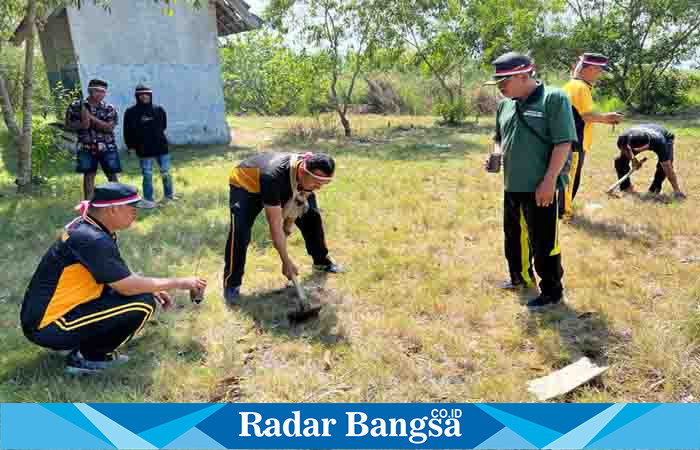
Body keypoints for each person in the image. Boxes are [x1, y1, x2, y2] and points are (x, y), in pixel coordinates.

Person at [20, 183, 207, 375]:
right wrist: (181, 282)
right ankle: (89, 357)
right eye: (132, 208)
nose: (135, 213)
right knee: (142, 303)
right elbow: (126, 287)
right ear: (112, 209)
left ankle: (85, 349)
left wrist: (149, 286)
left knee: (141, 292)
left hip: (51, 315)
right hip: (48, 325)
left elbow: (118, 275)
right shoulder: (93, 239)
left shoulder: (92, 227)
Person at [484, 52, 578, 308]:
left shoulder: (554, 98)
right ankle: (520, 278)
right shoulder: (505, 105)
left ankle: (551, 292)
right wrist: (494, 153)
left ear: (524, 75)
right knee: (513, 236)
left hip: (541, 187)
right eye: (498, 83)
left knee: (544, 241)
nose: (501, 88)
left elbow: (564, 142)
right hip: (512, 184)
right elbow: (498, 137)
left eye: (505, 82)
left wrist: (549, 181)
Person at [223, 152, 342, 305]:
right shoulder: (274, 177)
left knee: (311, 217)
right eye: (316, 182)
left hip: (287, 182)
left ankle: (321, 261)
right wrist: (286, 261)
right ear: (301, 172)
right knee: (240, 231)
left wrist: (288, 226)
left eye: (324, 183)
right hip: (246, 184)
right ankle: (231, 284)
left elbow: (293, 211)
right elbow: (275, 226)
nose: (319, 187)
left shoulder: (307, 176)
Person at [560, 53, 624, 220]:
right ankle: (564, 213)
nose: (600, 74)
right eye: (599, 70)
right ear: (589, 68)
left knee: (568, 176)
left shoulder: (572, 85)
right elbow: (586, 115)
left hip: (569, 140)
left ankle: (562, 209)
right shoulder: (581, 87)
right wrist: (607, 118)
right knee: (571, 178)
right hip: (575, 142)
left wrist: (604, 118)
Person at [65, 79, 121, 200]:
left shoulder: (109, 108)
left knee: (112, 174)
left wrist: (91, 118)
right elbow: (68, 126)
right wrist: (82, 125)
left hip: (107, 146)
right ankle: (88, 205)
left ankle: (118, 202)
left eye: (103, 92)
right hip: (86, 147)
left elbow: (109, 127)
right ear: (90, 91)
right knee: (89, 175)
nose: (101, 94)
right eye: (97, 91)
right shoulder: (76, 106)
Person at [123, 84, 174, 208]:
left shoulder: (159, 109)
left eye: (147, 94)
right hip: (144, 149)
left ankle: (169, 196)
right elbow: (127, 131)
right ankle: (148, 200)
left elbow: (164, 126)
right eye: (141, 94)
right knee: (147, 174)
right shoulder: (131, 112)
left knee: (166, 172)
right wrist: (131, 146)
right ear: (137, 96)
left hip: (161, 147)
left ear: (150, 95)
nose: (144, 96)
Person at [615, 124, 686, 199]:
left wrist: (677, 190)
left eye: (642, 149)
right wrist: (633, 160)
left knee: (663, 166)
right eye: (635, 150)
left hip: (665, 137)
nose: (640, 151)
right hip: (643, 131)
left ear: (648, 144)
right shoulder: (623, 139)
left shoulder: (659, 142)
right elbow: (625, 151)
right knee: (620, 161)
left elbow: (667, 167)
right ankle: (626, 188)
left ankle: (654, 190)